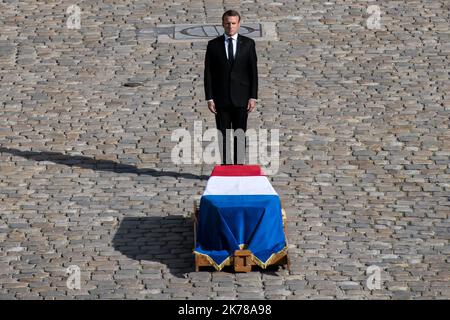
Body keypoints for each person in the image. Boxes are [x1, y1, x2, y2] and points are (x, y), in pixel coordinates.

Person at [204, 10, 258, 165]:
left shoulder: (248, 44)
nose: (230, 26)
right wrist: (209, 97)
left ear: (239, 24)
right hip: (221, 99)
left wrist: (253, 96)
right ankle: (226, 167)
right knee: (223, 135)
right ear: (222, 24)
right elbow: (208, 73)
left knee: (240, 135)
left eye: (233, 23)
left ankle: (239, 166)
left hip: (241, 98)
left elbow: (253, 72)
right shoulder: (213, 45)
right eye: (227, 23)